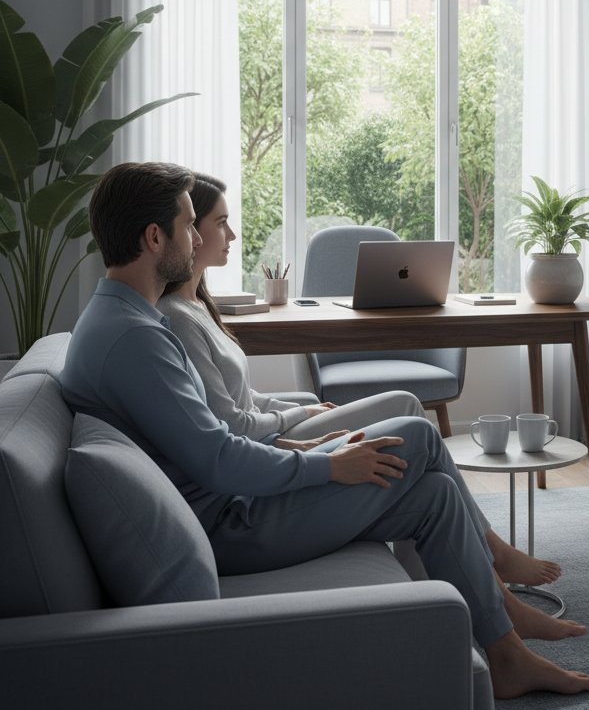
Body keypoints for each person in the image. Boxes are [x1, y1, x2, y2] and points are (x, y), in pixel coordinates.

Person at [60, 162, 589, 700]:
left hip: (233, 504)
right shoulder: (136, 340)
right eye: (189, 223)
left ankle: (506, 654)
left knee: (433, 494)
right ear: (155, 238)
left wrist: (302, 443)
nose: (199, 235)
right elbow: (219, 458)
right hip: (231, 524)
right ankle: (503, 599)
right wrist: (326, 463)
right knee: (415, 436)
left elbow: (209, 438)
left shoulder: (126, 322)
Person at [157, 172, 562, 591]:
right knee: (410, 414)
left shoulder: (197, 306)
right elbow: (234, 425)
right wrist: (294, 417)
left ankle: (451, 571)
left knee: (409, 418)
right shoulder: (178, 318)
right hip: (264, 447)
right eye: (219, 222)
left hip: (268, 434)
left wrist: (300, 409)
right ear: (189, 231)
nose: (233, 234)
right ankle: (488, 552)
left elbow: (241, 398)